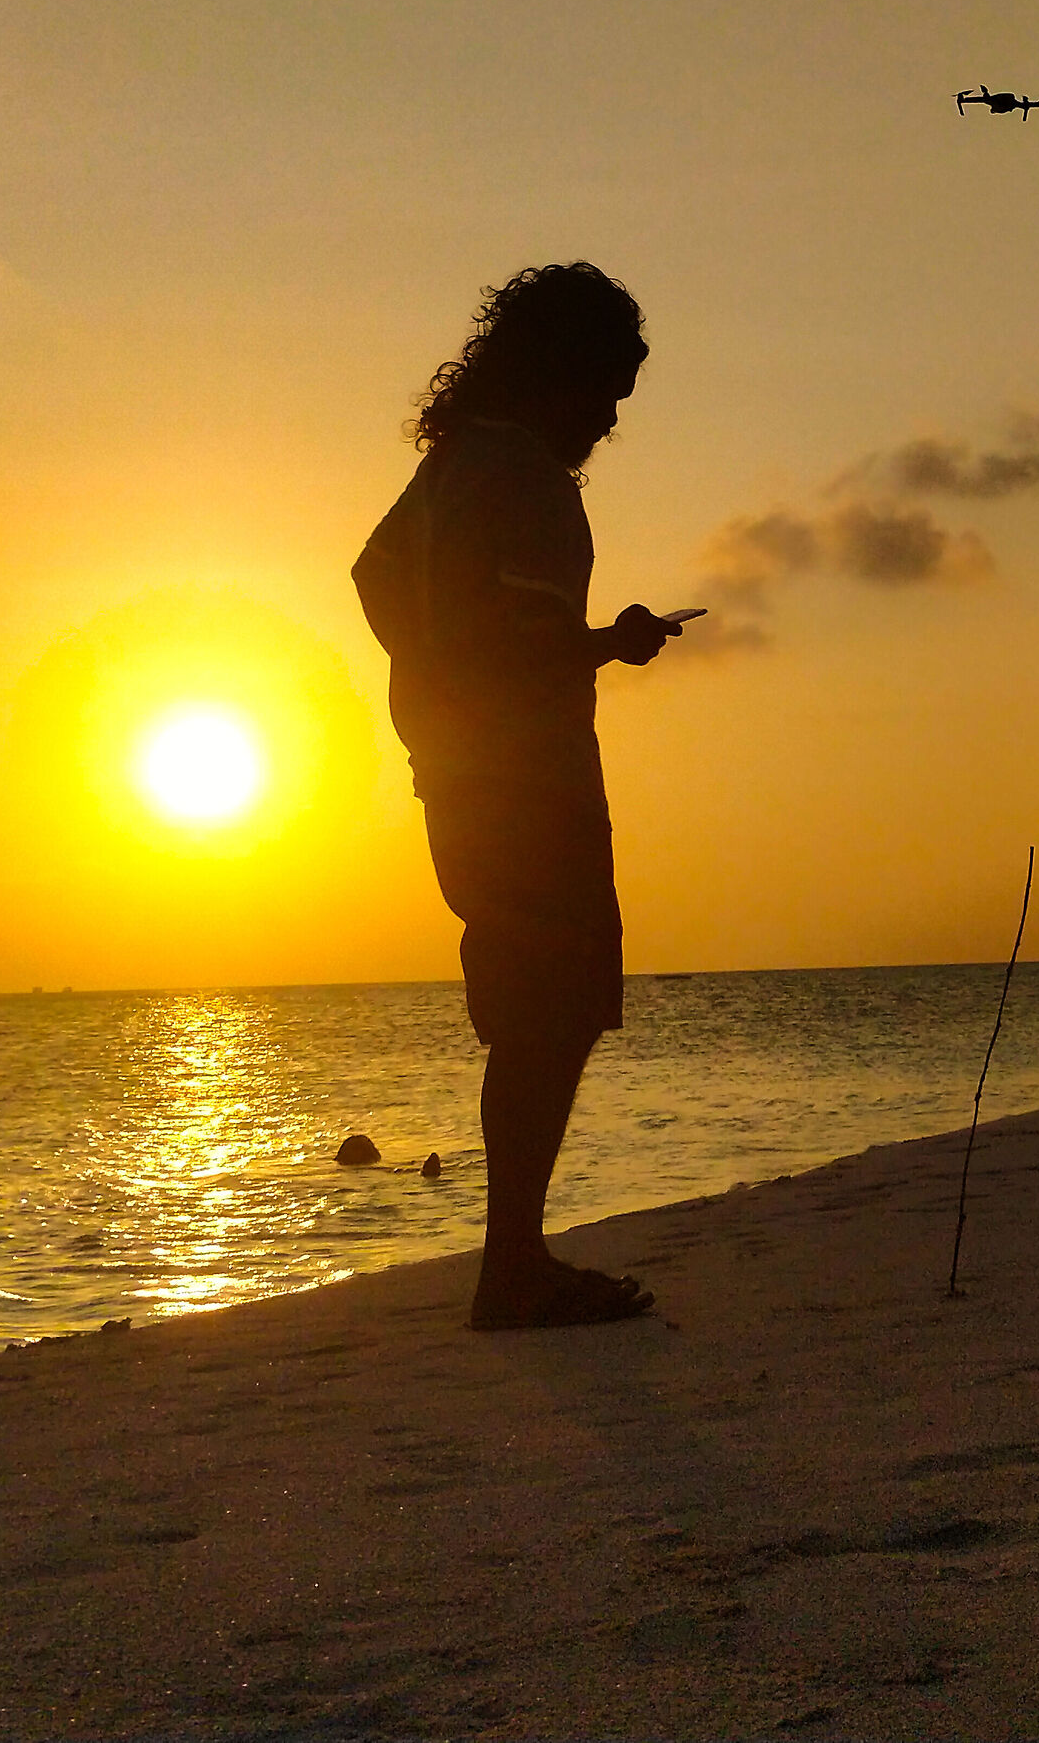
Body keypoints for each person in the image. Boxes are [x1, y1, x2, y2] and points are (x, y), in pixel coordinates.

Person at [353, 261, 684, 1330]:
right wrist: (607, 645)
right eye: (606, 391)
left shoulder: (454, 464)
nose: (610, 418)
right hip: (526, 781)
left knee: (533, 1010)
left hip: (457, 774)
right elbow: (523, 646)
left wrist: (428, 682)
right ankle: (512, 1268)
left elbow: (374, 576)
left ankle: (514, 1260)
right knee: (555, 1009)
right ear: (560, 371)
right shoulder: (526, 477)